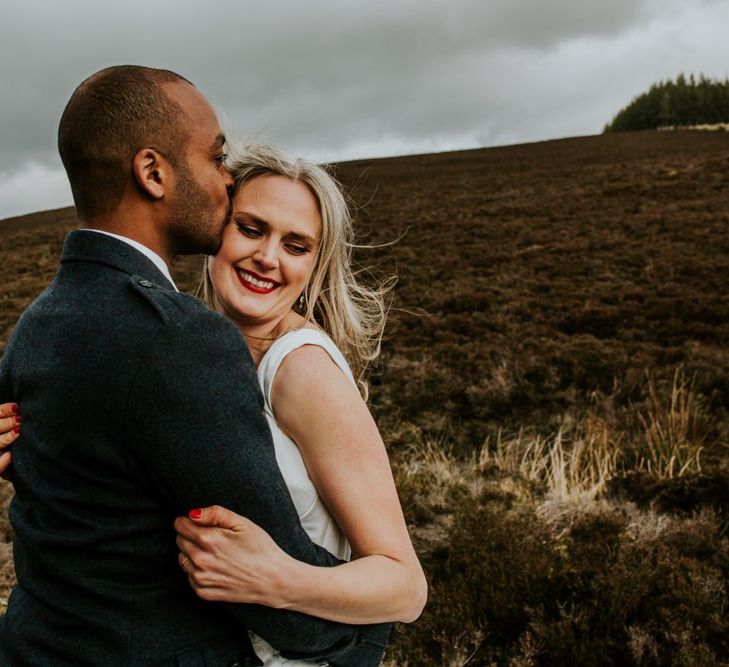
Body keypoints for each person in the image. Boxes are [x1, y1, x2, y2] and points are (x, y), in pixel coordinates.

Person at [0, 65, 393, 666]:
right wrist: (365, 641)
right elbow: (263, 587)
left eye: (295, 244)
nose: (224, 180)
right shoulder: (182, 339)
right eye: (215, 159)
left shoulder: (37, 324)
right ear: (153, 172)